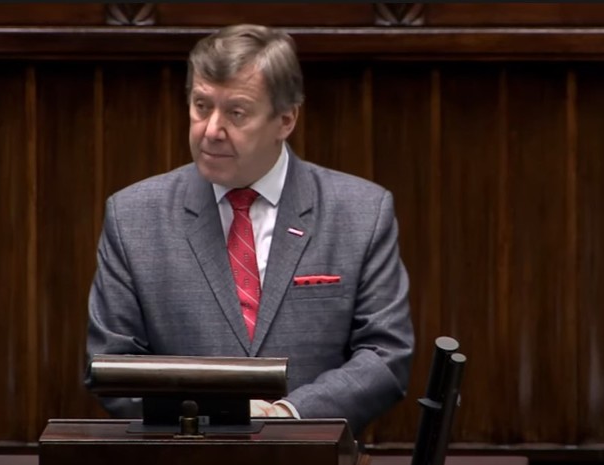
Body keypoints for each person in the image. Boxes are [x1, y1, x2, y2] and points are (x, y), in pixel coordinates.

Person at [86, 24, 414, 434]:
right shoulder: (133, 216)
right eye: (201, 106)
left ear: (285, 120)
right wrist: (214, 417)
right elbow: (111, 364)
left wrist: (288, 416)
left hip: (313, 452)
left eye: (236, 113)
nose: (211, 130)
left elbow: (385, 355)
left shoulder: (360, 212)